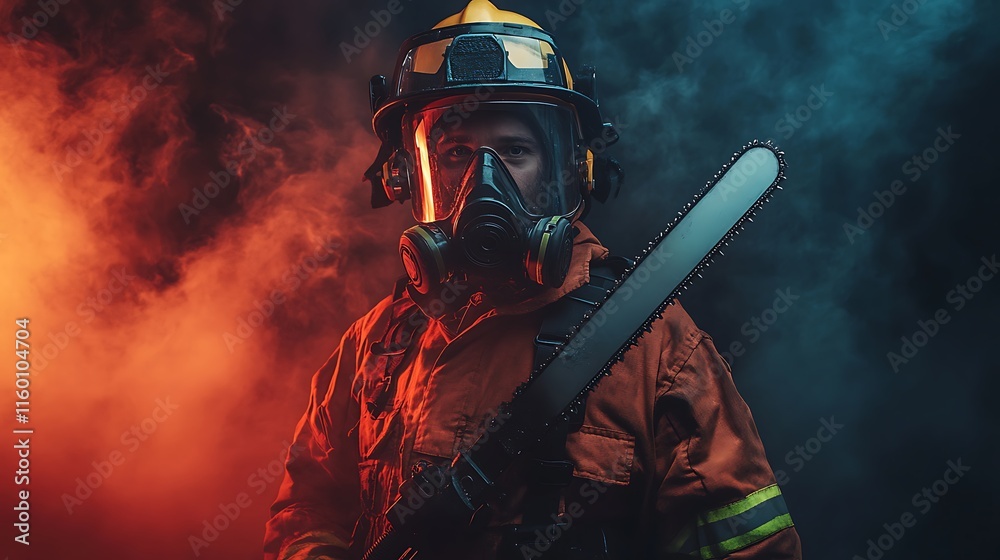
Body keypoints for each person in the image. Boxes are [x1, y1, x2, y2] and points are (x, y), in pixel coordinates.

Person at [264, 1, 803, 558]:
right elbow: (307, 508)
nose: (482, 181)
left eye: (515, 151)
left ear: (569, 168)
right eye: (456, 153)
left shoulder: (656, 348)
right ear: (407, 175)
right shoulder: (376, 346)